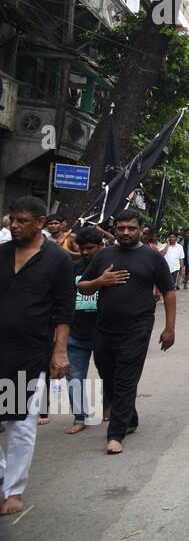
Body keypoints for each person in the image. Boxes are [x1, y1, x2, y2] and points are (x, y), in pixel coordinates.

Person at [77, 209, 176, 454]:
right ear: (114, 229)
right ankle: (130, 418)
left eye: (131, 228)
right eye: (121, 228)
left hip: (138, 328)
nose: (126, 232)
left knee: (125, 379)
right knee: (107, 375)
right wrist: (100, 282)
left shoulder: (152, 258)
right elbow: (82, 287)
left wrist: (169, 328)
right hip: (104, 328)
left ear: (140, 228)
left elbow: (169, 292)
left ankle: (115, 434)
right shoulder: (103, 255)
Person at [0, 197, 72, 513]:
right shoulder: (1, 254)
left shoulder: (57, 260)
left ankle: (13, 491)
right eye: (11, 220)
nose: (14, 225)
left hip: (28, 355)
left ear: (40, 222)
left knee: (19, 422)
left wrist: (59, 352)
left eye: (22, 221)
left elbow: (64, 311)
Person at [66, 226, 106, 434]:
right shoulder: (72, 269)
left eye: (90, 248)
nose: (85, 253)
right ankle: (80, 417)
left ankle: (108, 407)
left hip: (104, 333)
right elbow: (63, 299)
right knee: (74, 376)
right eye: (82, 248)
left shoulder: (110, 268)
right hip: (76, 334)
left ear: (101, 246)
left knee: (108, 374)